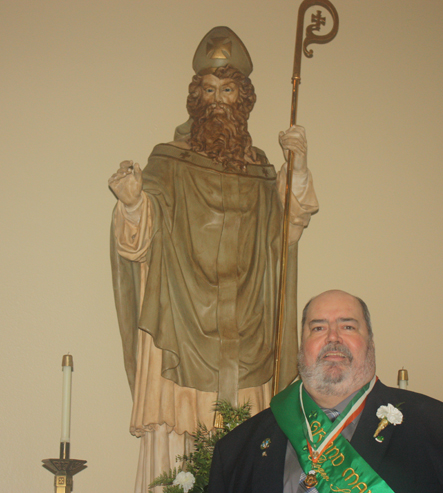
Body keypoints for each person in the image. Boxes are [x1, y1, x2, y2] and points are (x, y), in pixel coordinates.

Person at [108, 26, 318, 492]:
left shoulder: (265, 169)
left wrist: (296, 169)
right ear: (195, 97)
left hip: (249, 340)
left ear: (243, 99)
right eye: (208, 89)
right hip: (180, 336)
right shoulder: (168, 162)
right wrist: (131, 204)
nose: (217, 100)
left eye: (227, 90)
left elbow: (288, 229)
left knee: (249, 454)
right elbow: (139, 243)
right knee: (177, 463)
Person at [208, 290, 443, 493]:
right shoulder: (235, 451)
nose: (333, 337)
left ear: (371, 343)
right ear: (300, 348)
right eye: (318, 328)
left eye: (348, 326)